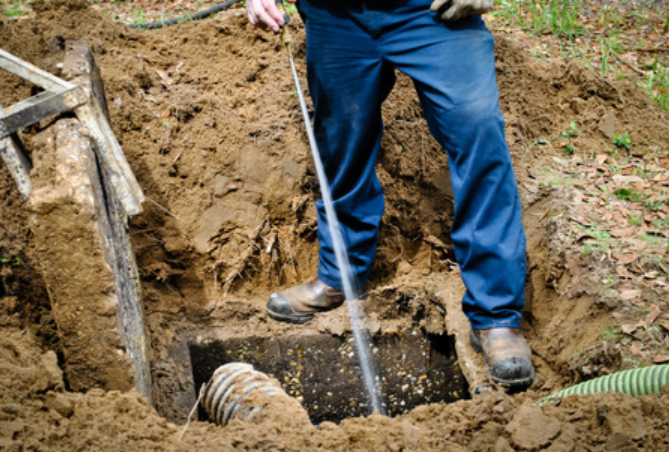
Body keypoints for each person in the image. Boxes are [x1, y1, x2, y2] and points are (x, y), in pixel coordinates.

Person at [246, 0, 534, 389]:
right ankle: (340, 275)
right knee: (341, 140)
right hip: (336, 14)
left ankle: (496, 315)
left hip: (430, 11)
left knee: (477, 132)